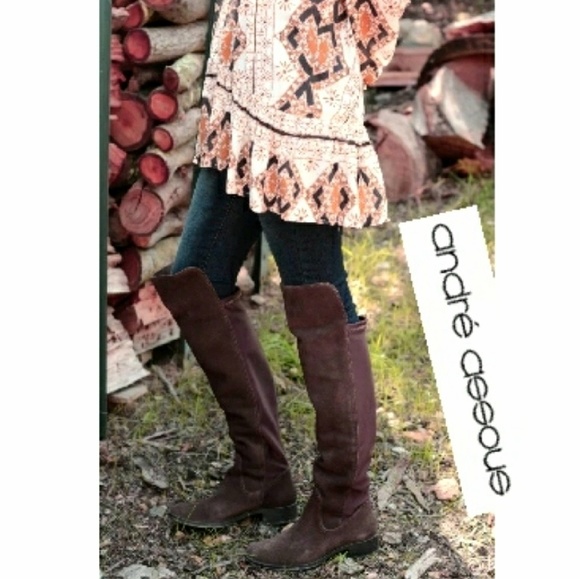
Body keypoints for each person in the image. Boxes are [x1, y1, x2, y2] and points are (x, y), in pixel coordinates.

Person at [152, 0, 409, 571]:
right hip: (239, 84)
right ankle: (260, 474)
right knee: (198, 278)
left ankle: (343, 506)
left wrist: (342, 59)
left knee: (319, 293)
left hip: (300, 104)